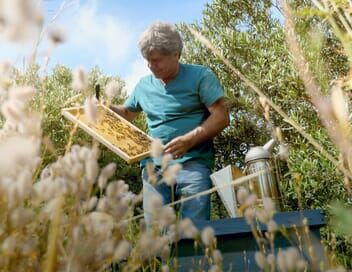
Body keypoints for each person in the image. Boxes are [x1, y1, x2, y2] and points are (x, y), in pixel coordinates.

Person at [110, 22, 229, 223]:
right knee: (156, 231)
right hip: (153, 166)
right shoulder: (143, 85)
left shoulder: (201, 76)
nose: (150, 66)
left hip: (193, 162)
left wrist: (189, 141)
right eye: (147, 61)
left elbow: (222, 117)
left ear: (176, 54)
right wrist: (104, 108)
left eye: (156, 60)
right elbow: (127, 113)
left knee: (195, 229)